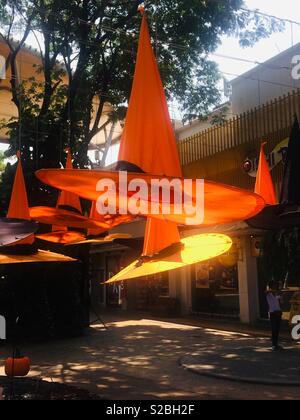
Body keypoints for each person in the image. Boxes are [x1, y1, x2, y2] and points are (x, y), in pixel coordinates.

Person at [266, 281, 283, 351]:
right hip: (273, 313)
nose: (275, 287)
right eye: (274, 285)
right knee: (274, 329)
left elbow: (281, 302)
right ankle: (274, 344)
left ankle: (276, 344)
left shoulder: (277, 294)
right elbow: (265, 292)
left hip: (278, 312)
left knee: (277, 329)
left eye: (276, 285)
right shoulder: (268, 294)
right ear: (271, 286)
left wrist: (280, 297)